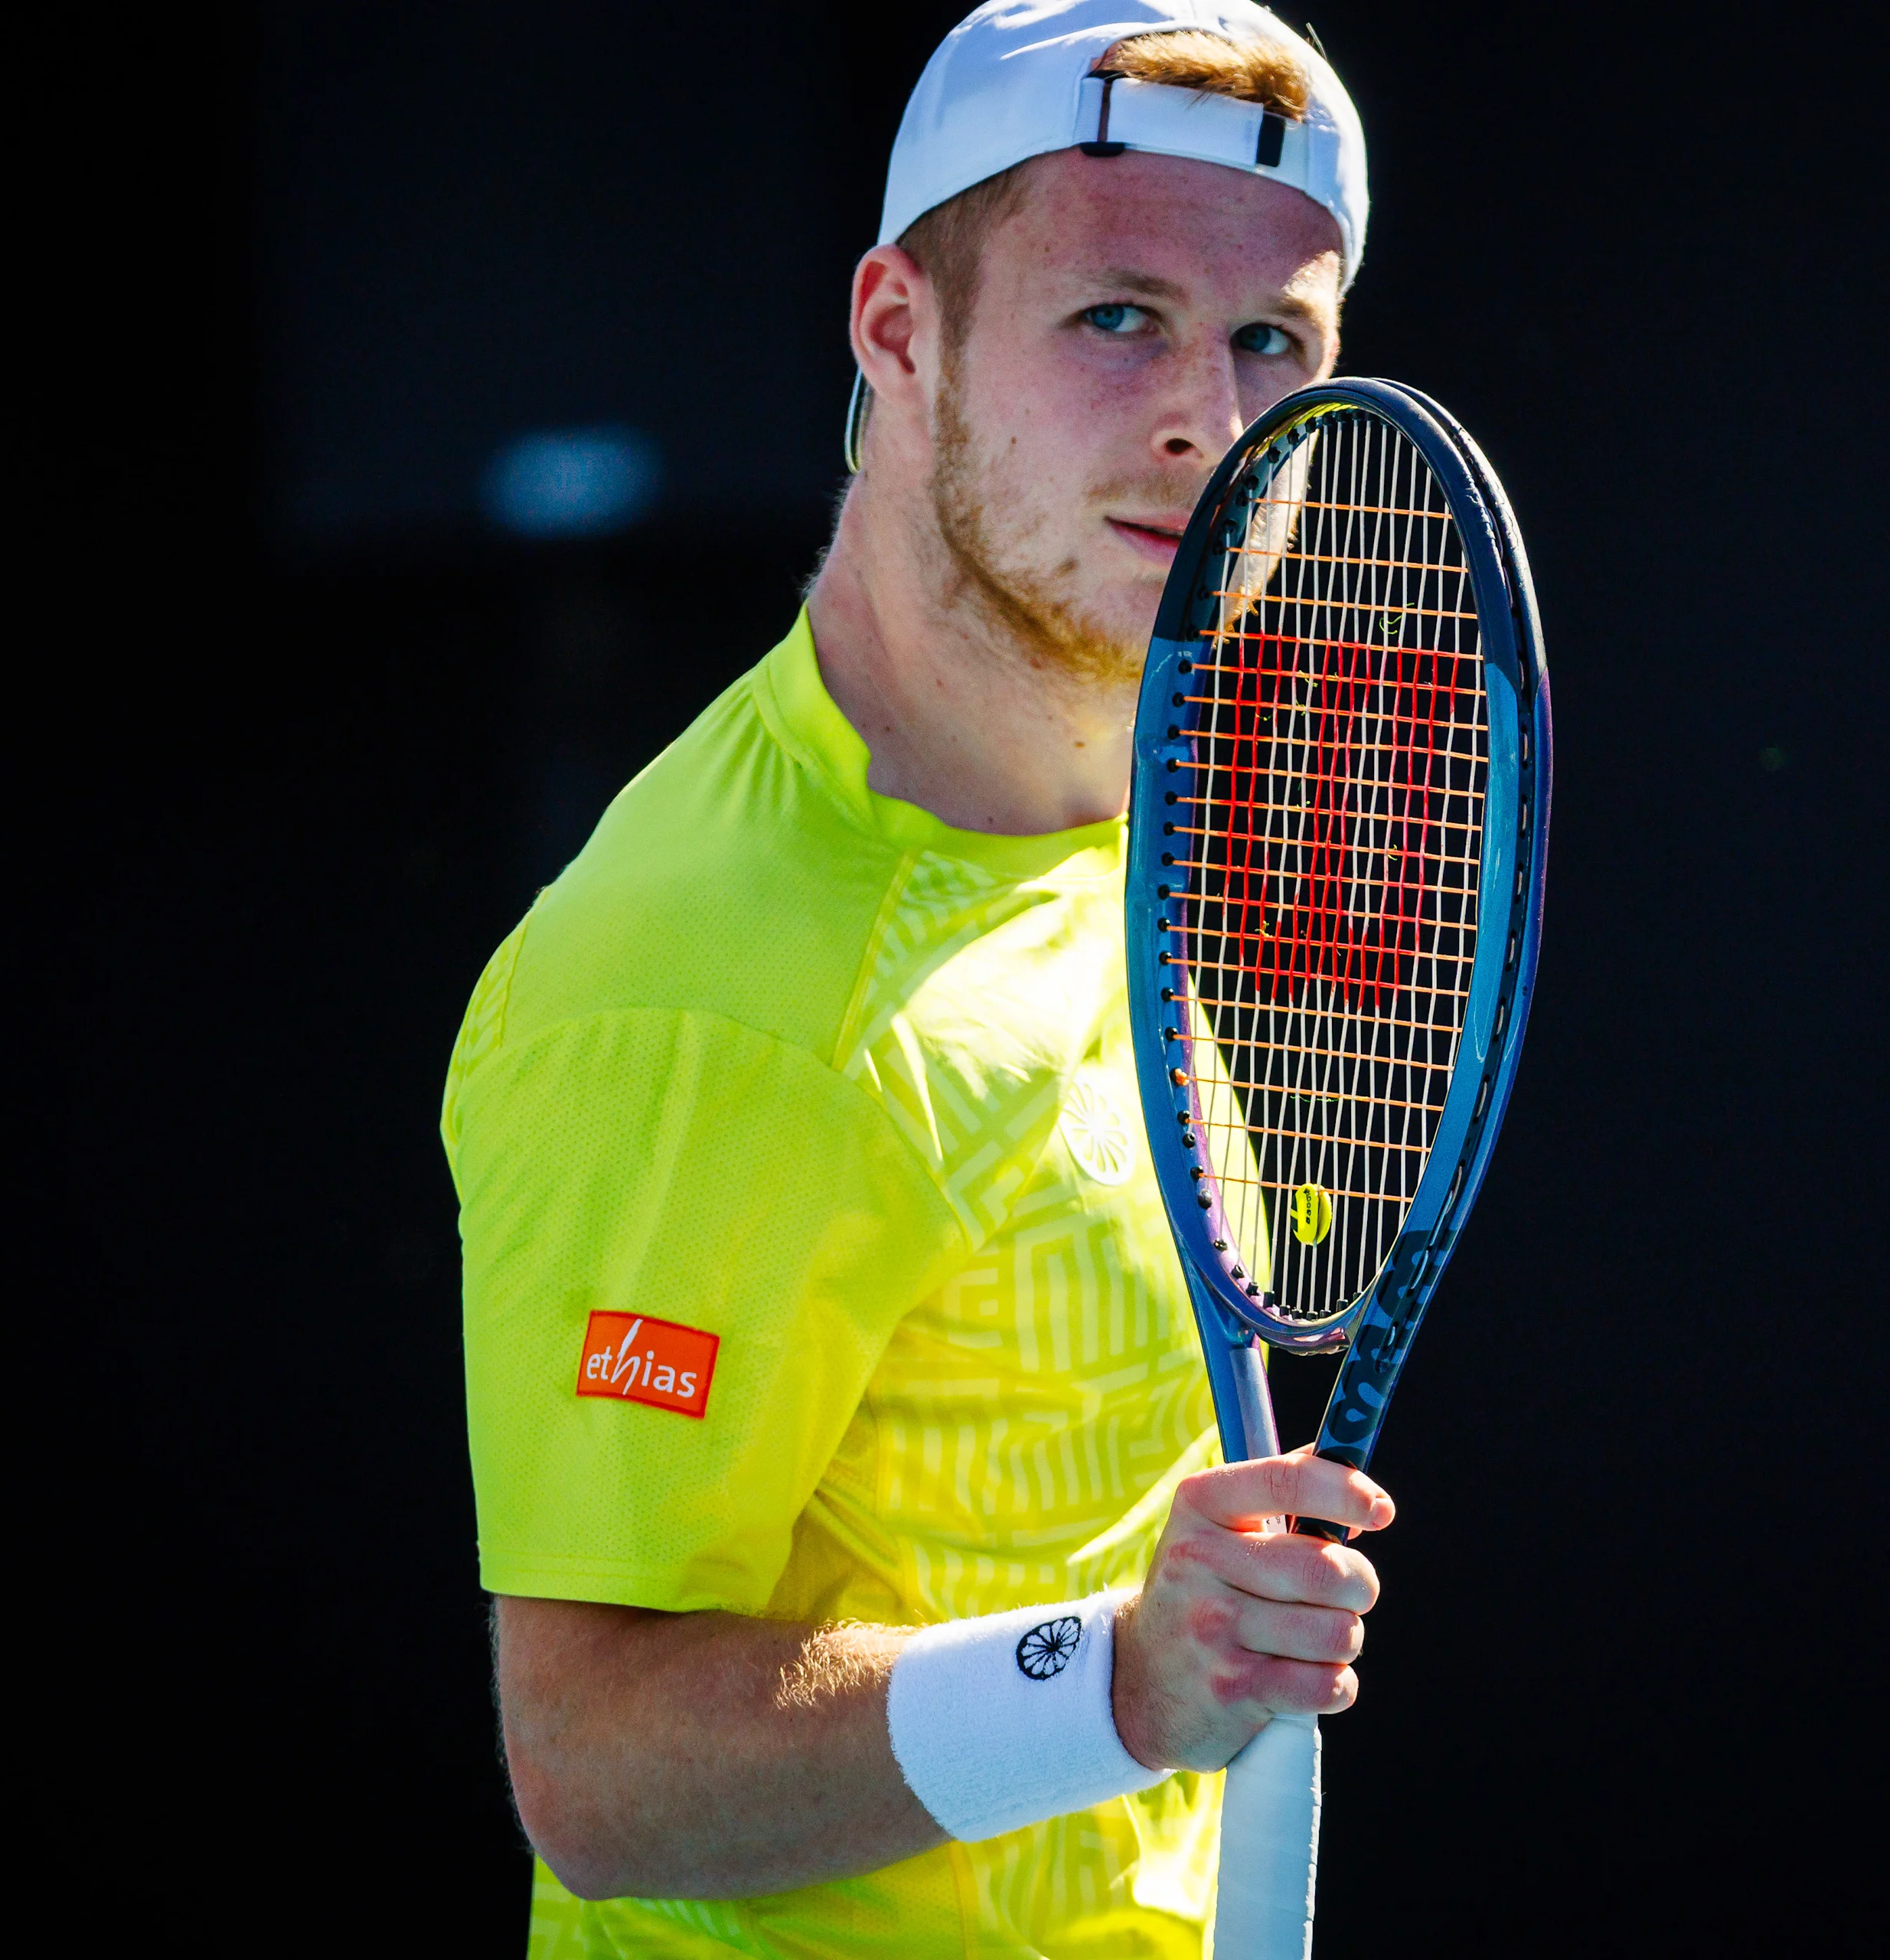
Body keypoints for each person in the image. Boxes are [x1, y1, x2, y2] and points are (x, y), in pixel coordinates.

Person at [442, 5, 1397, 1952]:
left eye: (1270, 342)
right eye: (1115, 315)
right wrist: (1119, 1685)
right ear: (898, 330)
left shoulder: (1107, 799)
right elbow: (595, 1771)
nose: (1208, 421)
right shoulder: (691, 992)